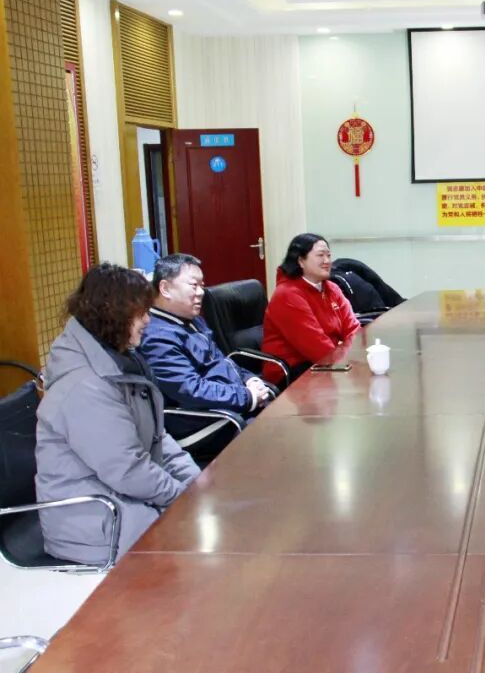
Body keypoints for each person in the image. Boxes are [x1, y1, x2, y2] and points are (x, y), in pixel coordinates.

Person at [35, 264, 200, 565]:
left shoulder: (117, 361)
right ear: (113, 314)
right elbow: (128, 470)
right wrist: (183, 498)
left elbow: (156, 437)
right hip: (96, 522)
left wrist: (196, 483)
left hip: (124, 500)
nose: (148, 320)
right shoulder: (85, 385)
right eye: (141, 313)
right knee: (197, 551)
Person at [139, 254, 274, 458]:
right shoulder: (157, 336)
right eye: (194, 285)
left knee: (284, 416)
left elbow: (222, 361)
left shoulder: (193, 320)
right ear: (165, 288)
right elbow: (190, 390)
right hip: (199, 421)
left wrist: (250, 379)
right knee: (274, 437)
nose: (201, 292)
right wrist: (246, 397)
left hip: (225, 405)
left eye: (202, 285)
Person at [262, 233, 360, 382]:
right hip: (293, 370)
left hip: (326, 362)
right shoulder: (287, 295)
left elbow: (353, 329)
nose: (327, 261)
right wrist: (349, 360)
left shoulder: (331, 288)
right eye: (320, 255)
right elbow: (317, 348)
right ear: (301, 261)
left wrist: (357, 355)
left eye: (328, 255)